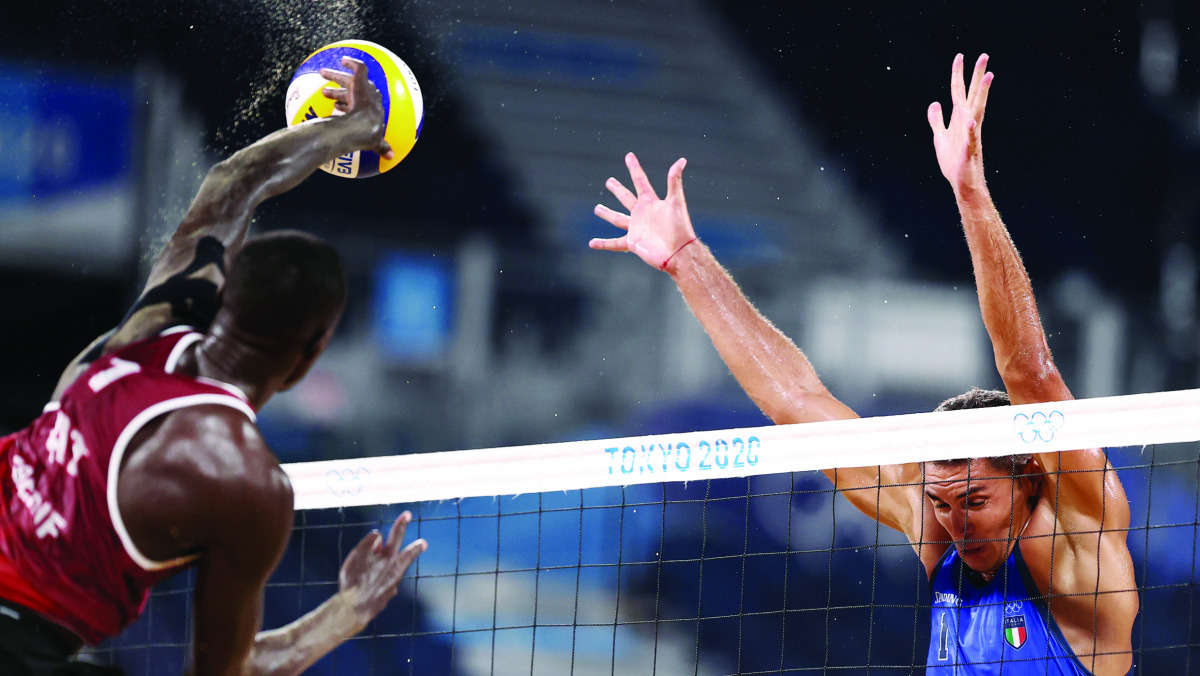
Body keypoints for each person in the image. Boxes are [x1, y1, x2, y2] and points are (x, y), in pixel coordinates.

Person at [590, 54, 1136, 676]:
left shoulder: (1079, 541)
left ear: (1028, 476)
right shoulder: (936, 528)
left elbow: (1031, 375)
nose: (956, 521)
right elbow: (796, 400)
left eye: (975, 500)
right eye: (942, 501)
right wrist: (687, 261)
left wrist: (970, 193)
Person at [0, 57, 427, 675]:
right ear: (310, 355)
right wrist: (345, 615)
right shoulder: (246, 485)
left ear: (222, 292)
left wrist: (349, 128)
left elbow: (235, 180)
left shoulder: (143, 332)